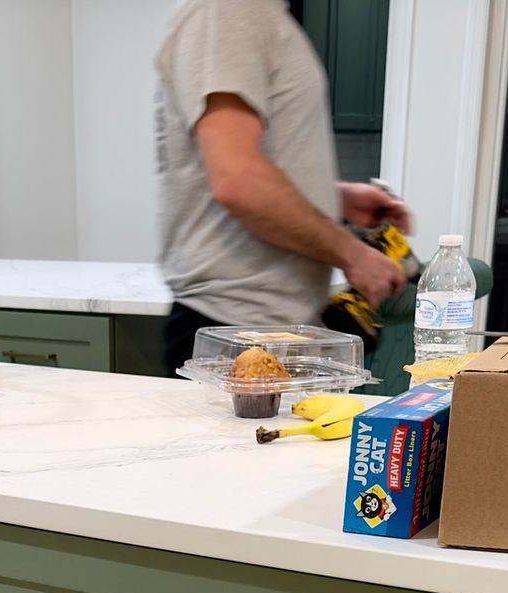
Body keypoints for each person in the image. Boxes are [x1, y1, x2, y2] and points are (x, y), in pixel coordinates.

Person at [155, 0, 414, 371]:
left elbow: (241, 168)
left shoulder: (262, 16)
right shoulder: (229, 10)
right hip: (235, 335)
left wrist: (335, 197)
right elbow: (238, 180)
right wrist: (354, 256)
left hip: (267, 331)